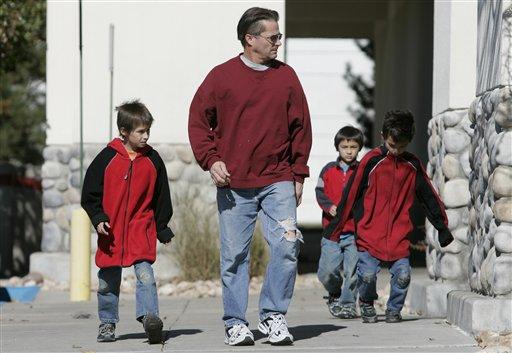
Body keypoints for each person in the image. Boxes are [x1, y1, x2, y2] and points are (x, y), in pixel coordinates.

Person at [188, 7, 312, 346]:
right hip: (234, 185)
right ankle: (235, 323)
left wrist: (298, 173)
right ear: (250, 38)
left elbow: (301, 127)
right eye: (273, 37)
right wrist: (210, 159)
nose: (278, 43)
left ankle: (274, 316)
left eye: (279, 36)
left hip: (278, 179)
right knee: (234, 257)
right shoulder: (221, 77)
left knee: (287, 247)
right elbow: (199, 121)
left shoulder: (286, 77)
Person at [323, 110, 454, 324]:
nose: (396, 151)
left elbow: (429, 196)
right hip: (368, 234)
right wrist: (335, 230)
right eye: (393, 146)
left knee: (403, 276)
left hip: (398, 235)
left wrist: (442, 227)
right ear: (383, 135)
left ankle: (394, 309)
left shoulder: (412, 165)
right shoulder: (371, 161)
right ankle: (366, 302)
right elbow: (351, 194)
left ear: (409, 141)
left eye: (402, 147)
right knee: (366, 276)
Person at [81, 100, 174, 344]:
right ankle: (107, 324)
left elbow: (162, 197)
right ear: (124, 131)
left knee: (146, 277)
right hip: (111, 235)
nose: (145, 137)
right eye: (140, 132)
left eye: (148, 131)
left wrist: (162, 228)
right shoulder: (107, 158)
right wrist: (98, 217)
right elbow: (89, 193)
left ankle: (150, 319)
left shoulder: (153, 160)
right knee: (107, 282)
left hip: (140, 230)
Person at [316, 126, 363, 319]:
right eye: (345, 146)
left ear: (359, 148)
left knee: (352, 271)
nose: (349, 150)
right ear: (338, 147)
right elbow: (319, 192)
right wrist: (329, 207)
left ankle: (348, 303)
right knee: (327, 271)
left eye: (353, 146)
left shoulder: (362, 171)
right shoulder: (328, 170)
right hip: (331, 231)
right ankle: (334, 293)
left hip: (354, 231)